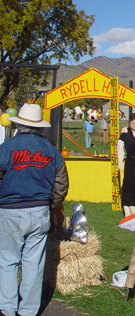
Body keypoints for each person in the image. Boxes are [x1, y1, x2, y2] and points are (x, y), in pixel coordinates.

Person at [0, 103, 69, 316]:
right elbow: (61, 184)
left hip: (10, 209)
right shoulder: (52, 150)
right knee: (34, 262)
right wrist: (50, 206)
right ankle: (28, 310)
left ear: (18, 124)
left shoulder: (6, 148)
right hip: (40, 210)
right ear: (40, 127)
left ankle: (7, 308)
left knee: (8, 260)